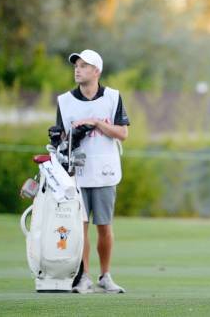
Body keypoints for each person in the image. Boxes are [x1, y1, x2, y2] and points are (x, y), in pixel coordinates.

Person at [55, 49, 130, 294]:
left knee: (104, 226)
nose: (77, 69)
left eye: (84, 66)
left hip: (106, 170)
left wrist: (96, 122)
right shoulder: (64, 100)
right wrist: (64, 140)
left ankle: (105, 276)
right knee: (80, 227)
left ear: (96, 71)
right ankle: (83, 276)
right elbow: (61, 138)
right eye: (76, 65)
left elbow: (123, 134)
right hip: (76, 172)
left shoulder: (113, 97)